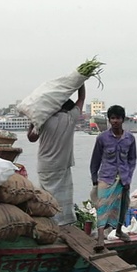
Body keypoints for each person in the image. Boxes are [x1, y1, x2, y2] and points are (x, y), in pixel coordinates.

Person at [27, 85, 85, 226]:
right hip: (62, 166)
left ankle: (49, 225)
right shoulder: (70, 118)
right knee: (64, 199)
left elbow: (31, 138)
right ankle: (65, 225)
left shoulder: (43, 119)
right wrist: (80, 81)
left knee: (46, 198)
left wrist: (33, 120)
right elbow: (81, 98)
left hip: (45, 166)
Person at [90, 105, 137, 251]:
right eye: (113, 118)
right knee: (102, 206)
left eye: (118, 118)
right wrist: (94, 178)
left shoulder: (130, 138)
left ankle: (118, 230)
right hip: (106, 177)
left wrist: (128, 178)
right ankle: (100, 238)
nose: (115, 121)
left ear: (123, 119)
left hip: (123, 177)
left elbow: (132, 160)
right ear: (109, 120)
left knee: (122, 205)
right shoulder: (102, 138)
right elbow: (95, 160)